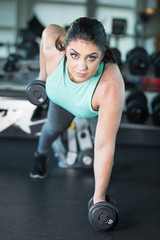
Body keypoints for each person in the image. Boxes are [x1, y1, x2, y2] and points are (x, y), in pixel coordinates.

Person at [29, 17, 125, 206]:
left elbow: (104, 146)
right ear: (64, 48)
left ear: (102, 54)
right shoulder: (53, 49)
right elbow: (48, 30)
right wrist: (42, 76)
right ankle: (40, 156)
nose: (82, 67)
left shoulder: (110, 86)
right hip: (62, 101)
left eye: (91, 57)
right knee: (51, 129)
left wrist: (99, 199)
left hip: (93, 109)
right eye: (74, 55)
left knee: (104, 149)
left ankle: (101, 181)